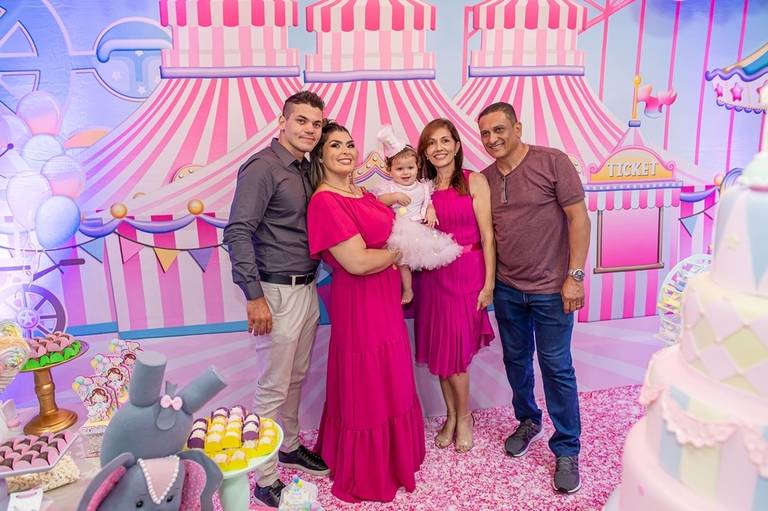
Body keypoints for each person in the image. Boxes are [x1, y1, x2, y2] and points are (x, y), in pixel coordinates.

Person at [306, 121, 425, 503]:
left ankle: (395, 455)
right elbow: (356, 262)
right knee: (368, 378)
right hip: (359, 302)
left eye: (349, 144)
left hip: (385, 298)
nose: (345, 151)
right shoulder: (325, 201)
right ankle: (370, 467)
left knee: (390, 372)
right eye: (335, 145)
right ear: (319, 156)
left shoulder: (360, 192)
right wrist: (400, 252)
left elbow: (388, 219)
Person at [223, 91, 330, 507]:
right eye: (301, 120)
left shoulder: (305, 169)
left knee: (296, 376)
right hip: (275, 292)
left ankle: (288, 446)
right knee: (272, 387)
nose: (310, 130)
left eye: (316, 124)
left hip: (306, 287)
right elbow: (237, 232)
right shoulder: (263, 167)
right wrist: (254, 297)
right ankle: (265, 480)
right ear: (281, 122)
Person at [477, 102, 590, 494]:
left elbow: (579, 219)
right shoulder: (485, 179)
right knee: (516, 361)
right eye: (485, 133)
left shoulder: (552, 162)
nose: (492, 139)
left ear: (518, 128)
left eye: (499, 129)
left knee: (556, 367)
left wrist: (575, 277)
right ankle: (528, 420)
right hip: (508, 290)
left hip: (552, 290)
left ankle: (567, 447)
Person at [412, 118, 496, 453]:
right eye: (431, 143)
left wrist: (489, 283)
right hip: (433, 278)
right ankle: (450, 415)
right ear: (424, 152)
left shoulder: (474, 181)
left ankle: (465, 417)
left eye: (445, 141)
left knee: (456, 356)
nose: (439, 148)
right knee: (441, 353)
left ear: (457, 146)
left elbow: (488, 236)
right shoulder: (422, 189)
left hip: (467, 275)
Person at [374, 126, 462, 304]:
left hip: (420, 228)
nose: (406, 172)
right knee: (402, 262)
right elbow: (379, 201)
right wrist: (394, 196)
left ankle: (438, 287)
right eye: (399, 169)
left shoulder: (423, 186)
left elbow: (428, 201)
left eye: (410, 167)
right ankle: (408, 290)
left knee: (430, 253)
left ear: (418, 166)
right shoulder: (390, 187)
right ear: (390, 170)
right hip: (400, 230)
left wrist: (430, 210)